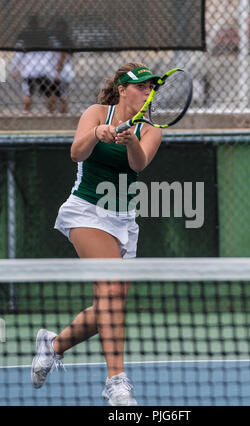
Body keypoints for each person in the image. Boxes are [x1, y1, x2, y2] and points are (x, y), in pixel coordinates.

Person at [31, 63, 162, 406]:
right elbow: (76, 152)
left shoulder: (152, 129)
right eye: (141, 86)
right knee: (110, 288)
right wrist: (97, 133)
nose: (148, 92)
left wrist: (131, 138)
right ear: (122, 89)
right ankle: (116, 382)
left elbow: (138, 164)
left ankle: (54, 345)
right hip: (86, 211)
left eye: (151, 88)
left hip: (124, 221)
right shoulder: (95, 112)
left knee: (111, 300)